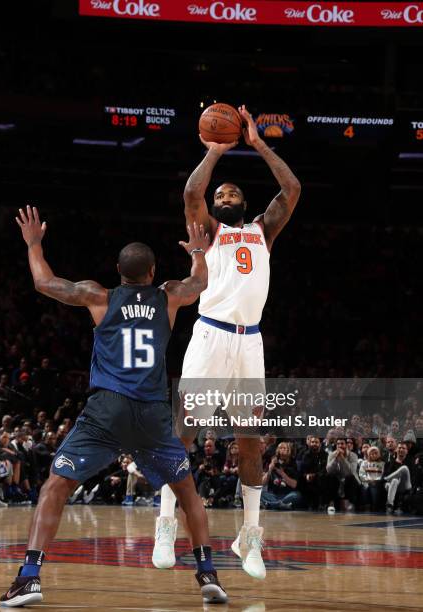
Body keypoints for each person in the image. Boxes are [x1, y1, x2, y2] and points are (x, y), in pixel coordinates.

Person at [0, 206, 227, 607]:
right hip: (152, 413)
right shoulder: (169, 296)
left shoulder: (99, 297)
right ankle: (208, 574)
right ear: (153, 272)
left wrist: (34, 243)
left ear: (119, 272)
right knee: (187, 493)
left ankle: (29, 577)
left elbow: (44, 282)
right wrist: (197, 251)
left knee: (57, 485)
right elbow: (200, 283)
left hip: (107, 410)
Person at [152, 105, 301, 579]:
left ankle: (249, 538)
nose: (226, 192)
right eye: (223, 192)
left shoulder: (262, 230)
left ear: (243, 201)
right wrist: (215, 150)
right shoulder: (209, 232)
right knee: (185, 433)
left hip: (250, 344)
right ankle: (164, 521)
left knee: (251, 442)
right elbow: (192, 191)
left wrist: (257, 143)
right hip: (212, 335)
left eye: (233, 190)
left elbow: (292, 190)